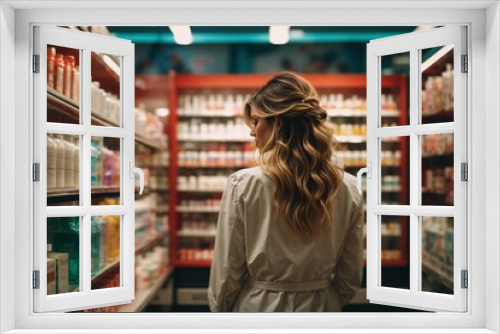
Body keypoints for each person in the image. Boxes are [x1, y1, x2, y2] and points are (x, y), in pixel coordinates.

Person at [208, 72, 364, 312]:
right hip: (321, 310)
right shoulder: (349, 187)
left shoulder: (243, 184)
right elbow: (350, 275)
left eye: (257, 121)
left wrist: (222, 310)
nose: (252, 131)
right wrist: (327, 299)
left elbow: (227, 270)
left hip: (257, 311)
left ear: (277, 124)